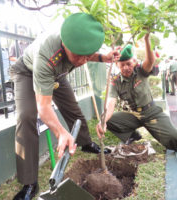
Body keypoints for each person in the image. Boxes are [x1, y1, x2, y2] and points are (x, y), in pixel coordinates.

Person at [9, 13, 120, 200]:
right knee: (26, 116)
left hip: (56, 74)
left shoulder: (79, 49)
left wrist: (104, 58)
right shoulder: (47, 55)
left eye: (86, 56)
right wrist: (60, 132)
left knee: (73, 109)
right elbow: (43, 107)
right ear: (65, 44)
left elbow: (87, 53)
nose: (82, 61)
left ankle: (86, 143)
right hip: (27, 72)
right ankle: (29, 183)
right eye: (78, 56)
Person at [96, 33, 177, 189]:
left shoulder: (140, 71)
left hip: (152, 113)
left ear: (132, 62)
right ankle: (133, 135)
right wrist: (103, 121)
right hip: (133, 114)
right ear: (117, 66)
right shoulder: (115, 82)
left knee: (176, 136)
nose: (126, 68)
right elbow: (111, 102)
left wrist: (147, 41)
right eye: (122, 65)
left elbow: (150, 61)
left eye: (128, 63)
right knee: (109, 119)